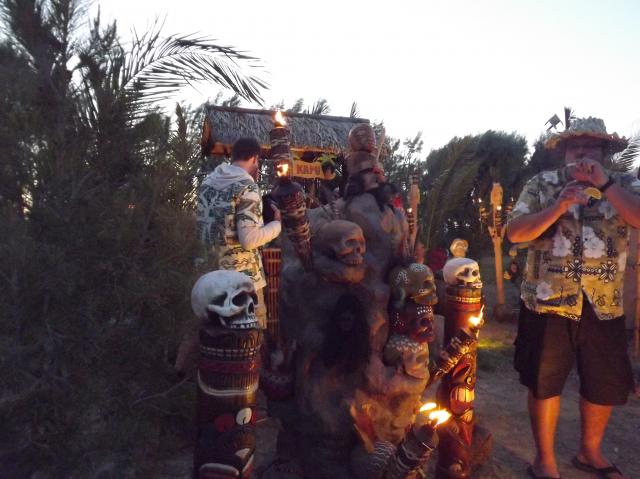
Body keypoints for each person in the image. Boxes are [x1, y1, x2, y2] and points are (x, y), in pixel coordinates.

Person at [507, 117, 638, 479]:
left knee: (602, 384)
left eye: (591, 146)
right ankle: (544, 462)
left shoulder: (626, 184)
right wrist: (557, 207)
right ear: (564, 152)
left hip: (604, 302)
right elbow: (515, 233)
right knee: (544, 381)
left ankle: (589, 453)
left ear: (604, 152)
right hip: (548, 299)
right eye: (575, 146)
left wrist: (606, 185)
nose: (582, 152)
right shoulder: (542, 184)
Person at [196, 137, 282, 329]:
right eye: (258, 161)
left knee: (212, 338)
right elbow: (249, 240)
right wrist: (277, 224)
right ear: (254, 158)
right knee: (249, 340)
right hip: (241, 284)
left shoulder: (207, 183)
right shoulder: (247, 187)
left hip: (208, 277)